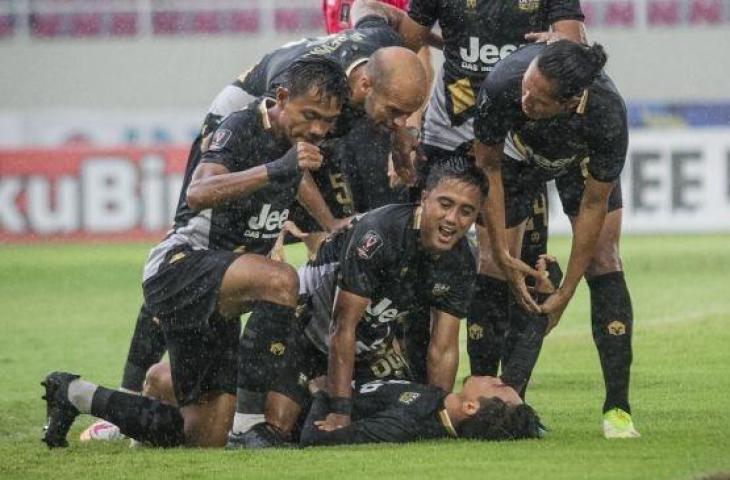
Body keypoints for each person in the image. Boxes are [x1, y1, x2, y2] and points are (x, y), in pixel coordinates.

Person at [41, 57, 350, 449]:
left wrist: (329, 222)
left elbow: (296, 174)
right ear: (282, 97)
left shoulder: (289, 143)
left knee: (202, 435)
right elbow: (198, 192)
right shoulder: (241, 125)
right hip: (180, 267)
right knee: (280, 279)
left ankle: (75, 393)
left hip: (217, 288)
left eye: (328, 121)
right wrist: (275, 170)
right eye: (311, 115)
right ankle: (250, 427)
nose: (319, 129)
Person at [349, 0, 586, 396]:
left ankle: (497, 392)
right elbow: (405, 46)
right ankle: (419, 390)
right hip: (447, 134)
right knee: (422, 255)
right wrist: (405, 125)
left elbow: (573, 48)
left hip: (514, 139)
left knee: (506, 261)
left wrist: (558, 44)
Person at [228, 162, 486, 448]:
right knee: (277, 432)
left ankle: (315, 393)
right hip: (303, 331)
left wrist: (433, 409)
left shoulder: (463, 260)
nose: (453, 219)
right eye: (445, 204)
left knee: (402, 405)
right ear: (424, 198)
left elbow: (444, 345)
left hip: (368, 345)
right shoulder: (379, 234)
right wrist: (340, 410)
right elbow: (342, 326)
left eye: (466, 211)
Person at [473, 40, 639, 438]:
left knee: (604, 259)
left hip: (575, 158)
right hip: (514, 157)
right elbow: (487, 166)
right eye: (527, 86)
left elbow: (594, 205)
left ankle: (618, 410)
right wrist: (499, 247)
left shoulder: (606, 113)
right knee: (494, 265)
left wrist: (566, 290)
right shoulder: (503, 85)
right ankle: (483, 399)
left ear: (571, 101)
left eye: (539, 98)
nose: (525, 98)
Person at [300, 375, 543, 445]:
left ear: (470, 407)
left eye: (498, 385)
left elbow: (313, 438)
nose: (496, 376)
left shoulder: (405, 424)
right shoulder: (438, 400)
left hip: (303, 390)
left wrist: (321, 392)